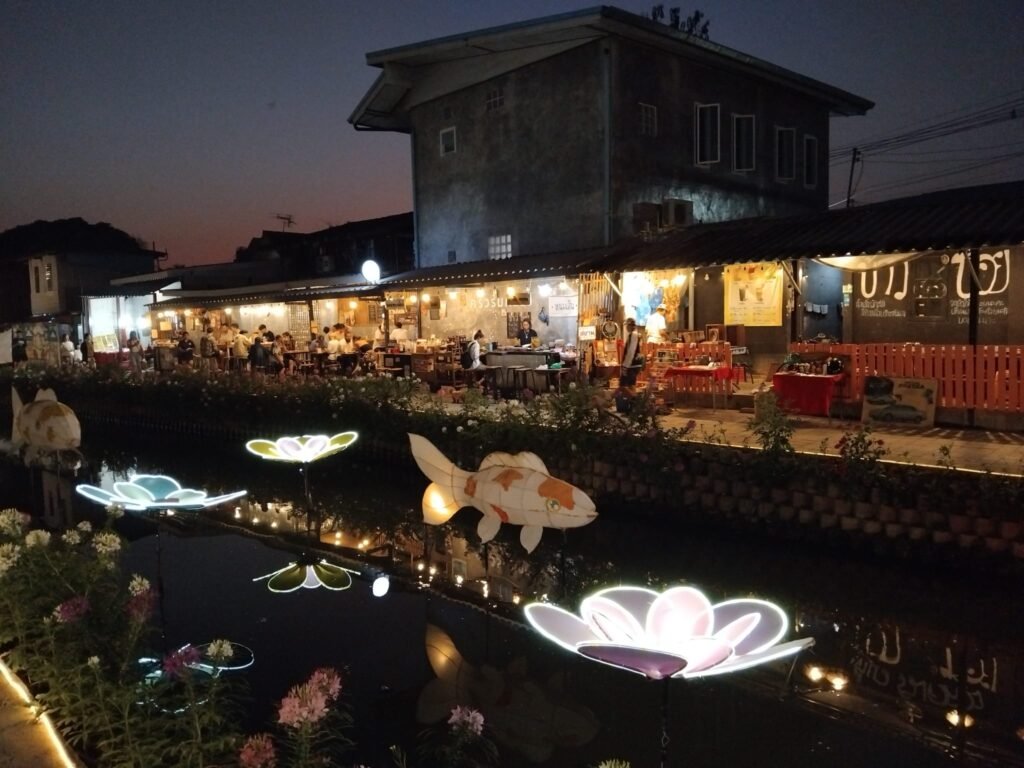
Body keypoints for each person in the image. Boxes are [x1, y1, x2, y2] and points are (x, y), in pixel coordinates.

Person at [620, 318, 643, 387]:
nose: (626, 327)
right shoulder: (636, 335)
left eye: (627, 325)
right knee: (630, 384)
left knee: (626, 385)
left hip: (632, 365)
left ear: (630, 326)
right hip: (633, 364)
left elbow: (631, 351)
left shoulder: (633, 335)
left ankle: (632, 397)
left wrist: (625, 365)